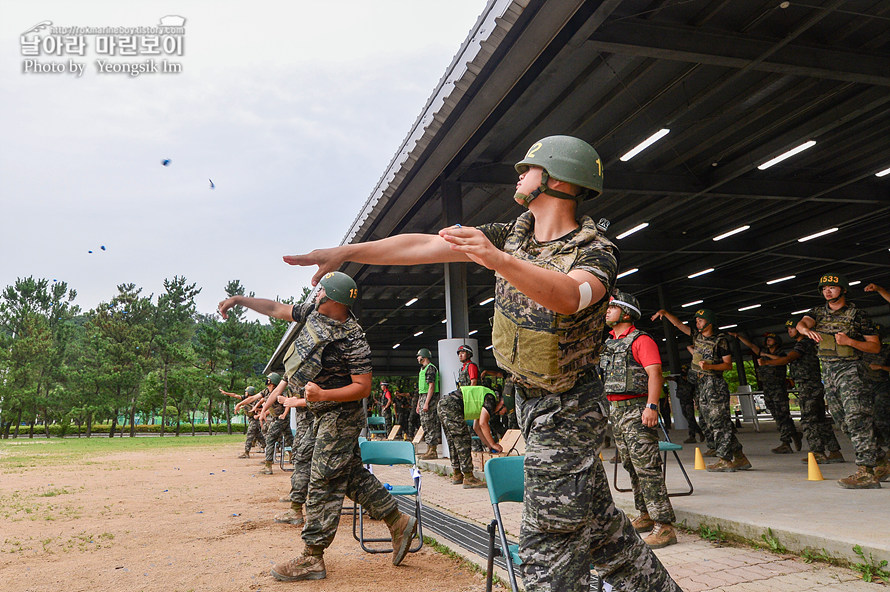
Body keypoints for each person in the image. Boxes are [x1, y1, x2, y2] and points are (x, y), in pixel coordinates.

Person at [284, 135, 681, 592]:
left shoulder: (595, 251)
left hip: (569, 407)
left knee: (546, 542)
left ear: (556, 179)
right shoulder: (513, 234)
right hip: (530, 400)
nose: (518, 174)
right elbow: (420, 246)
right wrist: (348, 252)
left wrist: (496, 259)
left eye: (527, 168)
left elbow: (570, 296)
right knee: (603, 530)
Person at [218, 271, 418, 581]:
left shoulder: (353, 338)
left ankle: (312, 557)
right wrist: (239, 300)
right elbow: (275, 308)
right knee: (346, 473)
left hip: (342, 415)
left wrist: (323, 394)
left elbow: (363, 387)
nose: (315, 293)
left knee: (323, 478)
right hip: (321, 411)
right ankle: (397, 520)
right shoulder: (312, 311)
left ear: (331, 298)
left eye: (320, 291)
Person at [601, 291, 677, 549]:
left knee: (647, 467)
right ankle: (644, 514)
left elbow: (655, 374)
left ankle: (664, 526)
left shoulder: (641, 339)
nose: (606, 312)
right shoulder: (610, 342)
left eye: (612, 308)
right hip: (617, 411)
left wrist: (651, 406)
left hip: (637, 409)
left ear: (626, 312)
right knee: (631, 466)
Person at [797, 273, 887, 488]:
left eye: (833, 287)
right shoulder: (818, 313)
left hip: (851, 371)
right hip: (828, 372)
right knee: (842, 422)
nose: (828, 291)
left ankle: (865, 471)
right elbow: (802, 323)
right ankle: (880, 459)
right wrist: (806, 330)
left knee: (857, 418)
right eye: (824, 288)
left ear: (843, 290)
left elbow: (874, 346)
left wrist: (850, 341)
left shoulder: (858, 315)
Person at [652, 307, 751, 472]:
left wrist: (711, 366)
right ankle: (740, 457)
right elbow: (678, 325)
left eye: (701, 320)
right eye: (696, 320)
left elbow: (728, 365)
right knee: (711, 422)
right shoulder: (696, 336)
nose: (697, 322)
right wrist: (665, 313)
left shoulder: (721, 340)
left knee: (720, 422)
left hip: (714, 383)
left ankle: (725, 459)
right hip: (701, 384)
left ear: (709, 322)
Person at [757, 318, 844, 464]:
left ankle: (818, 452)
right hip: (810, 385)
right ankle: (834, 451)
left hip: (808, 385)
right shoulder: (804, 343)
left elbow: (788, 359)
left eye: (792, 328)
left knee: (809, 420)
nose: (789, 331)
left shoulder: (804, 343)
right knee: (820, 420)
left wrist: (767, 362)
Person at [732, 332, 803, 454]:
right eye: (767, 339)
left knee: (783, 415)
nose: (768, 341)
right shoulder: (764, 352)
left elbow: (783, 360)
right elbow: (752, 346)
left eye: (771, 339)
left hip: (778, 389)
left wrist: (766, 356)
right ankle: (795, 434)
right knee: (777, 416)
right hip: (768, 389)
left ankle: (786, 443)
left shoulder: (780, 353)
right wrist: (740, 337)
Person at [437, 384, 508, 488]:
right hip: (452, 405)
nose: (499, 414)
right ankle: (469, 477)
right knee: (463, 440)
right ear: (502, 403)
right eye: (502, 412)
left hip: (444, 404)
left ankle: (457, 474)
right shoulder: (491, 398)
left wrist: (488, 445)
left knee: (453, 441)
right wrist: (493, 444)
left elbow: (477, 427)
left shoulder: (483, 401)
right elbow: (483, 424)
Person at [255, 373, 292, 475]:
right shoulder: (267, 392)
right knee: (290, 439)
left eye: (268, 379)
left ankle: (268, 466)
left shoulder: (280, 392)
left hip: (280, 419)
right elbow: (254, 397)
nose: (267, 381)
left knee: (270, 439)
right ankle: (295, 459)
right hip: (277, 419)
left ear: (272, 381)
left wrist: (284, 414)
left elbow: (287, 403)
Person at [221, 385, 266, 458]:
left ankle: (246, 452)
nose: (245, 393)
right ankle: (267, 447)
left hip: (255, 420)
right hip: (252, 419)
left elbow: (265, 408)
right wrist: (226, 393)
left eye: (246, 392)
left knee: (250, 435)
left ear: (249, 393)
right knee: (259, 436)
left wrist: (257, 410)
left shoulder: (256, 401)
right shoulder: (245, 398)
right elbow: (235, 395)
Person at [666, 366, 704, 444]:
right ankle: (699, 431)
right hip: (682, 401)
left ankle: (692, 436)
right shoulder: (679, 379)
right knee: (688, 418)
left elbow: (695, 392)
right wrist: (663, 378)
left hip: (689, 401)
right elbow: (671, 378)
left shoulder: (692, 380)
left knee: (691, 418)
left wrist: (697, 402)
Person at [416, 348, 442, 460]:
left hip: (430, 399)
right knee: (425, 424)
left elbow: (431, 386)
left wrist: (426, 403)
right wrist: (419, 403)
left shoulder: (430, 368)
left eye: (419, 356)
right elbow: (421, 389)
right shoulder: (422, 369)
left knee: (431, 424)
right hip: (423, 397)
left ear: (424, 357)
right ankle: (429, 449)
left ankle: (433, 450)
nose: (417, 358)